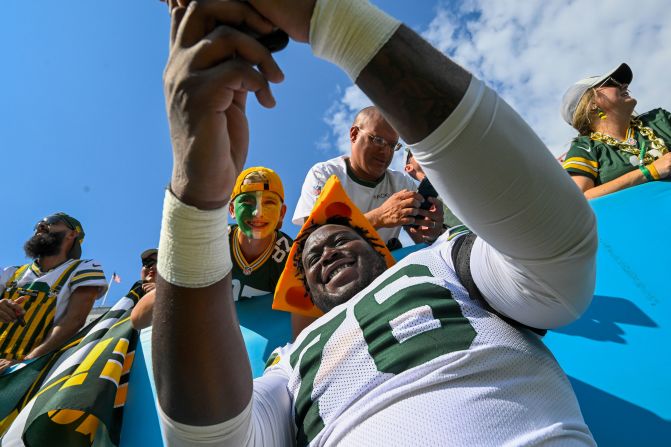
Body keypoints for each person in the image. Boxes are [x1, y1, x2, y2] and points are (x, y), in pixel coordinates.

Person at [153, 0, 597, 445]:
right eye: (310, 256)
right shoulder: (290, 365)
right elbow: (209, 440)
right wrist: (196, 196)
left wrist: (328, 17)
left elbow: (558, 255)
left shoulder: (443, 266)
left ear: (378, 248)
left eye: (340, 238)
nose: (324, 250)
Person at [293, 105, 444, 248]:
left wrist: (431, 233)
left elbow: (423, 240)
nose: (385, 152)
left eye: (392, 146)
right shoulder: (324, 174)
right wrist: (379, 217)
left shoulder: (401, 183)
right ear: (354, 134)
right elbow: (314, 241)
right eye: (378, 140)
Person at [0, 213, 106, 373]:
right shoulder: (10, 272)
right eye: (38, 224)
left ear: (72, 234)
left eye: (51, 222)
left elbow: (74, 320)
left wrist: (25, 364)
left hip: (30, 373)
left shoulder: (84, 268)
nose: (41, 226)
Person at [561, 63, 671, 199]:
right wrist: (649, 172)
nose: (624, 85)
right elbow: (580, 198)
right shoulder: (584, 147)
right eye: (611, 82)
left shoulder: (659, 119)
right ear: (592, 104)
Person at [228, 167, 293, 301]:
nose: (257, 213)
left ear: (282, 213)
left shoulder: (292, 258)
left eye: (269, 202)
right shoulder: (212, 243)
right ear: (232, 209)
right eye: (247, 201)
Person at [404, 149, 462, 229]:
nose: (422, 152)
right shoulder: (417, 204)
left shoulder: (453, 171)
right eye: (415, 152)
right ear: (409, 167)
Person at [130, 248, 158, 330]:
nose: (153, 266)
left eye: (161, 263)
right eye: (148, 262)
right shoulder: (129, 300)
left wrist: (161, 290)